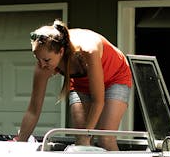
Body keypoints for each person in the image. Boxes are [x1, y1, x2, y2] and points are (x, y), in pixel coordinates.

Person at [13, 19, 132, 150]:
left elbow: (98, 101)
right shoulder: (43, 65)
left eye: (46, 60)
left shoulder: (88, 51)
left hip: (115, 77)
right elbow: (33, 111)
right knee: (81, 141)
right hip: (81, 84)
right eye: (37, 58)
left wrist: (88, 134)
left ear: (61, 51)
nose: (41, 65)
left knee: (105, 137)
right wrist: (20, 144)